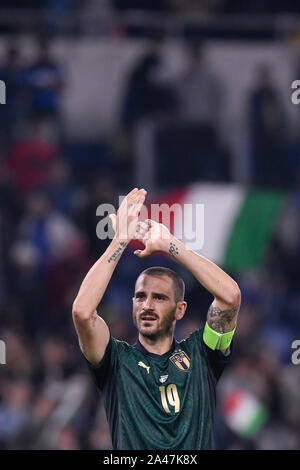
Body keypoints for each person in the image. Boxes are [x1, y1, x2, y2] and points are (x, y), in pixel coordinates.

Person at [72, 188, 241, 450]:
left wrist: (172, 246)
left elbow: (230, 297)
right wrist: (120, 240)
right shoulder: (115, 361)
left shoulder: (201, 353)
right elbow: (82, 312)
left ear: (180, 309)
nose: (147, 305)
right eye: (140, 297)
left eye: (160, 298)